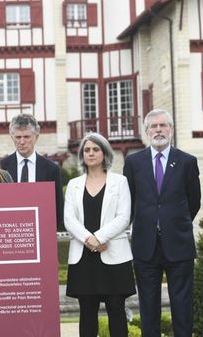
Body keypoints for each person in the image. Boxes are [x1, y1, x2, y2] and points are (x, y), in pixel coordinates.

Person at [123, 109, 201, 337]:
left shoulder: (187, 161)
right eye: (153, 126)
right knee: (148, 307)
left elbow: (193, 202)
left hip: (179, 244)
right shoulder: (133, 162)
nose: (158, 130)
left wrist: (173, 223)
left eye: (163, 125)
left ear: (171, 130)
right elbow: (129, 201)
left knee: (182, 306)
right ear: (146, 132)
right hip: (145, 246)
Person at [64, 132, 135, 337]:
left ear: (104, 153)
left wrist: (100, 238)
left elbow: (124, 217)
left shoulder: (120, 182)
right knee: (87, 312)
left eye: (96, 149)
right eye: (87, 150)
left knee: (116, 310)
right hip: (83, 256)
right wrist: (89, 240)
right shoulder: (73, 185)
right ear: (82, 155)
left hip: (113, 255)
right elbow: (69, 220)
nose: (91, 153)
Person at [0, 113, 65, 230]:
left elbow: (58, 209)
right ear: (12, 137)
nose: (22, 141)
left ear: (36, 137)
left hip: (42, 229)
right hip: (8, 231)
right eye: (18, 137)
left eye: (27, 137)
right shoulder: (1, 167)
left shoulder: (51, 169)